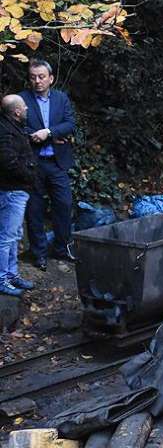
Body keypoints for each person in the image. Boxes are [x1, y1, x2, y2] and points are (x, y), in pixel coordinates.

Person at [20, 59, 77, 270]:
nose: (37, 81)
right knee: (34, 210)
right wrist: (35, 136)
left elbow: (70, 124)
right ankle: (39, 254)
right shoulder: (22, 99)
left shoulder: (61, 99)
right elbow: (14, 129)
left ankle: (61, 249)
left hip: (57, 162)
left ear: (51, 78)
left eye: (41, 76)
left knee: (64, 205)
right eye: (33, 77)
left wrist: (49, 133)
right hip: (33, 164)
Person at [0, 95, 37, 296]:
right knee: (6, 237)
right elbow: (8, 161)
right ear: (16, 112)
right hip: (12, 191)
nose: (27, 110)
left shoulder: (12, 127)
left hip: (17, 190)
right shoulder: (5, 132)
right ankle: (2, 279)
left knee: (14, 236)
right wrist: (29, 174)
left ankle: (12, 275)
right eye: (24, 107)